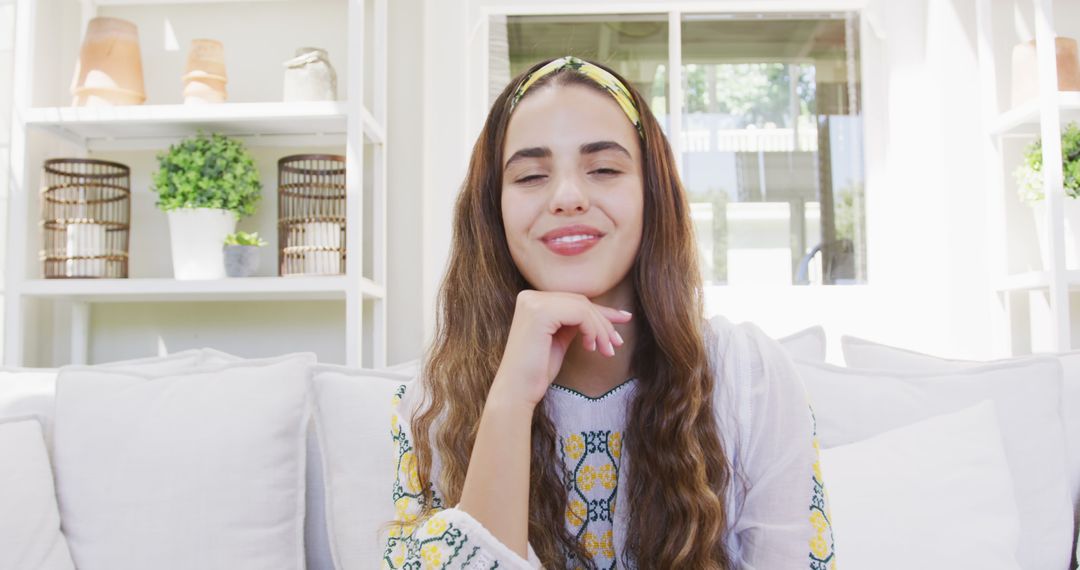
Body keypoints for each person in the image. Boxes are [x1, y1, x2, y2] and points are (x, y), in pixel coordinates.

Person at [381, 55, 837, 569]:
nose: (568, 197)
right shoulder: (436, 403)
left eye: (603, 169)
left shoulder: (749, 377)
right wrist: (508, 400)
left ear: (651, 194)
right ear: (494, 211)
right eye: (531, 176)